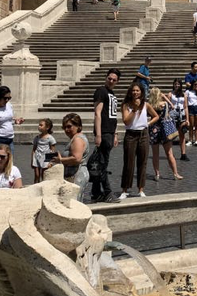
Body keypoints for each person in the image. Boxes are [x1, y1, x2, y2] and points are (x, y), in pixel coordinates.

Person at [119, 82, 158, 200]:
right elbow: (126, 121)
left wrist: (148, 123)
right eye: (133, 90)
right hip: (131, 135)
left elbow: (156, 116)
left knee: (142, 162)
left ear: (141, 92)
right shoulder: (126, 105)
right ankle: (125, 189)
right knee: (128, 162)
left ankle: (141, 189)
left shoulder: (146, 105)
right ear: (130, 92)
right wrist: (135, 109)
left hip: (143, 134)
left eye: (137, 90)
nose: (135, 93)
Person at [92, 69, 120, 203]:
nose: (111, 81)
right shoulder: (101, 91)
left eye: (114, 80)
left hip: (109, 132)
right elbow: (97, 113)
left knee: (101, 163)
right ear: (106, 77)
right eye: (110, 78)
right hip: (103, 132)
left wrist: (115, 134)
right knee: (102, 164)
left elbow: (113, 115)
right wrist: (98, 134)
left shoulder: (112, 93)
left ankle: (96, 192)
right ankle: (108, 193)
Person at [148, 87, 182, 181]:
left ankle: (157, 174)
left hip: (153, 129)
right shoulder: (165, 104)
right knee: (169, 153)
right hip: (165, 129)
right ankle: (175, 174)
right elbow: (172, 106)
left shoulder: (150, 105)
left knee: (155, 154)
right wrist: (165, 97)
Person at [53, 113, 89, 201]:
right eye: (64, 127)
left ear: (78, 126)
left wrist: (60, 160)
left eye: (69, 126)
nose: (66, 130)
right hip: (74, 174)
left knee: (74, 202)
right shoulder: (75, 138)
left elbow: (76, 158)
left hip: (77, 174)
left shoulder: (77, 139)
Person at [31, 118, 57, 184]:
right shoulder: (37, 138)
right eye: (39, 125)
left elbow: (52, 150)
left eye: (41, 125)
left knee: (44, 175)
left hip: (46, 158)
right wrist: (32, 160)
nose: (39, 126)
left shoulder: (50, 138)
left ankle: (43, 188)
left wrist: (51, 161)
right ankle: (35, 187)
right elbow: (34, 149)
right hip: (37, 157)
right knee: (37, 175)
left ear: (47, 127)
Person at [170, 78, 190, 162]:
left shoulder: (184, 94)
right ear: (173, 85)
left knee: (182, 134)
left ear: (181, 85)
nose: (177, 85)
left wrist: (187, 119)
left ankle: (183, 154)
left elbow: (186, 107)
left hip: (182, 115)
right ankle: (170, 154)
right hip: (173, 115)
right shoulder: (170, 94)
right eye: (175, 84)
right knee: (171, 135)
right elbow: (168, 105)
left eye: (178, 84)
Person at [186, 80, 197, 146]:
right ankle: (190, 140)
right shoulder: (188, 91)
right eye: (195, 84)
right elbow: (186, 100)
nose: (196, 85)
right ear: (192, 84)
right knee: (191, 126)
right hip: (190, 108)